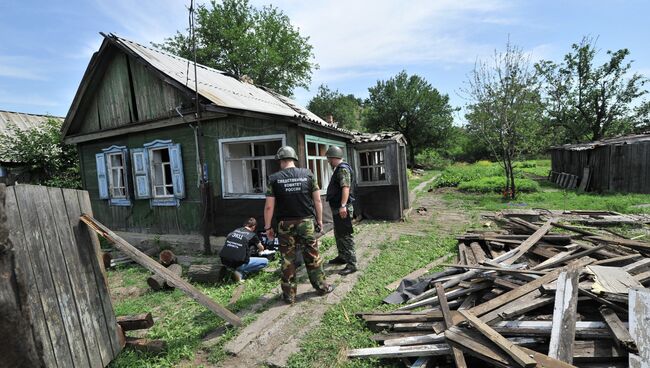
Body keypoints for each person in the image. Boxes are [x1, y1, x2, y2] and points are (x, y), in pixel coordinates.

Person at [264, 146, 335, 304]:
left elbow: (269, 206)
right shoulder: (308, 174)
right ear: (294, 159)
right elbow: (317, 200)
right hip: (306, 222)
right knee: (312, 256)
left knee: (287, 260)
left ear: (281, 160)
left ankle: (289, 295)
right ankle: (322, 287)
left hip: (285, 224)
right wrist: (320, 220)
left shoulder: (274, 179)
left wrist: (268, 227)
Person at [325, 146, 357, 275]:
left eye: (329, 159)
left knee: (345, 236)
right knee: (339, 234)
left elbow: (346, 188)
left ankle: (352, 264)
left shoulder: (342, 169)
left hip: (342, 208)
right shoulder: (338, 169)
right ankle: (342, 257)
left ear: (333, 158)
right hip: (337, 208)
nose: (328, 161)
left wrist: (343, 205)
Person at [219, 217, 269, 282]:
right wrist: (259, 251)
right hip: (238, 263)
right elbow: (261, 248)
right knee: (265, 261)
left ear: (245, 224)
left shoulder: (235, 231)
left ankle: (235, 272)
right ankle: (239, 271)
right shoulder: (252, 234)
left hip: (224, 261)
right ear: (253, 227)